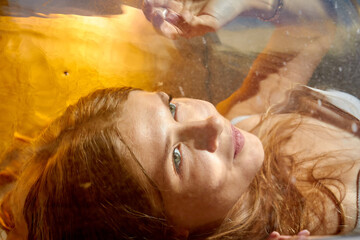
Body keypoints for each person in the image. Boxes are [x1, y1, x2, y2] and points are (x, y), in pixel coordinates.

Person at [0, 0, 359, 240]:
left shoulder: (240, 123)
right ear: (171, 231)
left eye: (171, 107)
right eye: (176, 157)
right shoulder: (322, 222)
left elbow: (320, 28)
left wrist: (246, 3)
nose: (212, 125)